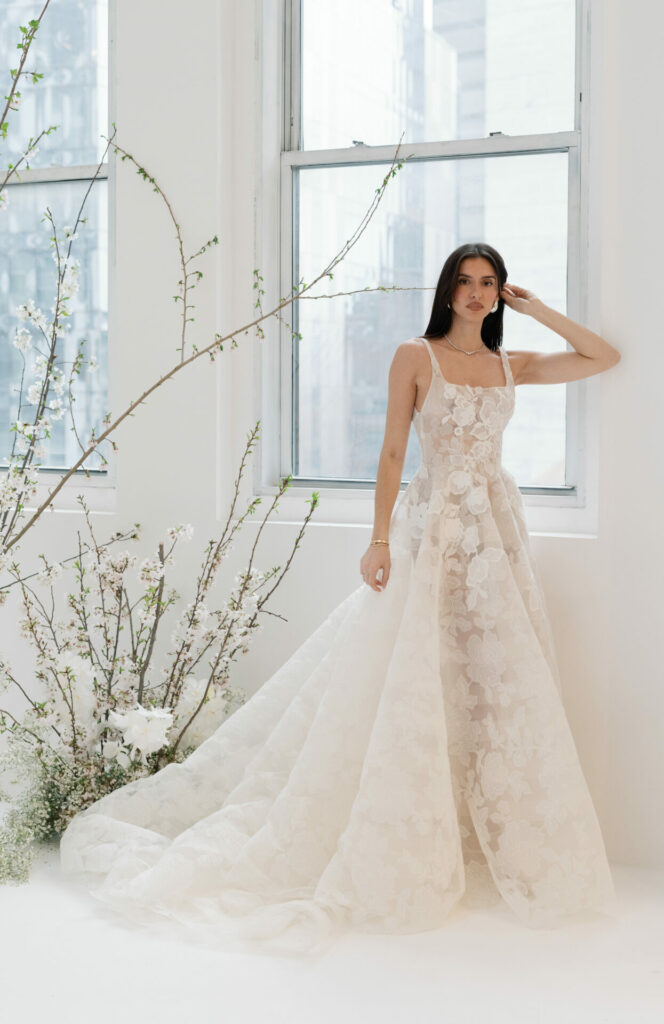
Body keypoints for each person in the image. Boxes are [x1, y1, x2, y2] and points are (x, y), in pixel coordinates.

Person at [60, 242, 620, 957]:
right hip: (434, 527)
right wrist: (379, 540)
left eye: (490, 284)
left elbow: (601, 357)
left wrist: (538, 309)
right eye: (466, 282)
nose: (478, 294)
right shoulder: (415, 355)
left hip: (495, 539)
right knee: (413, 669)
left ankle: (475, 832)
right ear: (447, 291)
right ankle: (397, 830)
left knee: (487, 682)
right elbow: (391, 453)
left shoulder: (512, 364)